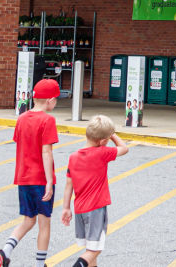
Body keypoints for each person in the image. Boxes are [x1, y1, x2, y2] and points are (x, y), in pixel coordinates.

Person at [0, 78, 61, 267]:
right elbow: (46, 151)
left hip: (24, 177)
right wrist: (48, 182)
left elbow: (20, 143)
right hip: (40, 178)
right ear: (49, 100)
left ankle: (4, 252)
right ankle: (39, 265)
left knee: (28, 220)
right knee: (44, 223)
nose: (56, 103)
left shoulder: (22, 118)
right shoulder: (48, 120)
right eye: (56, 100)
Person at [61, 114, 129, 267]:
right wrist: (113, 135)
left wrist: (66, 208)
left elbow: (68, 185)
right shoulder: (102, 153)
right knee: (95, 249)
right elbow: (124, 148)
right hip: (96, 209)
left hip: (79, 209)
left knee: (90, 246)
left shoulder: (73, 157)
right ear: (103, 141)